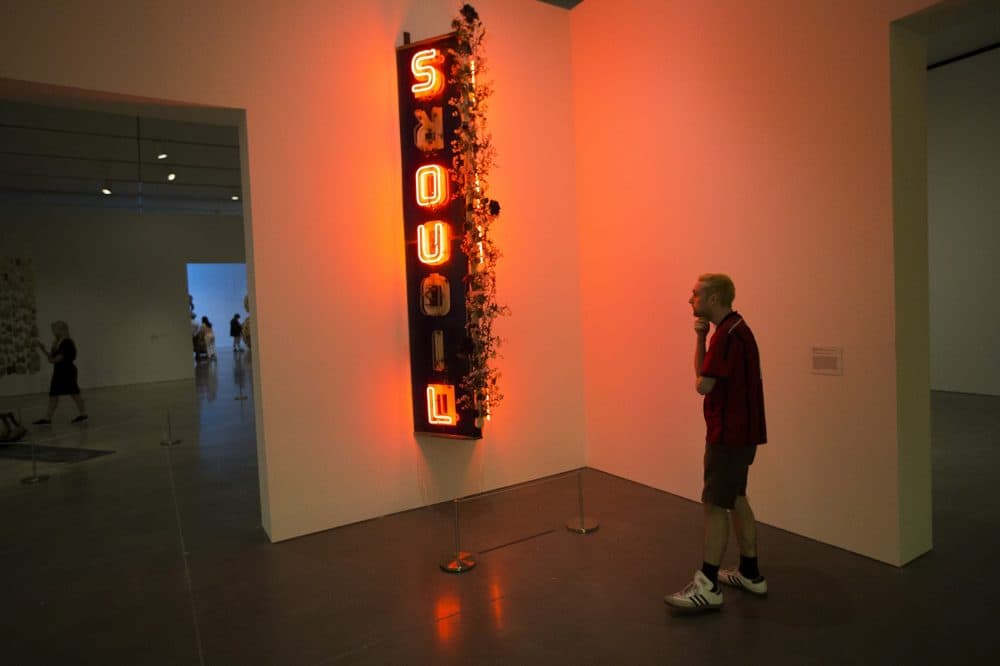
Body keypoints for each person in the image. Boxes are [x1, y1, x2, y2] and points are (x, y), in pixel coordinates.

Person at [665, 274, 767, 612]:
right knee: (736, 497)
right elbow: (705, 376)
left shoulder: (726, 336)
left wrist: (703, 339)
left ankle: (707, 585)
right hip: (743, 435)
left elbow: (702, 386)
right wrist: (700, 338)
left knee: (715, 505)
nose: (690, 299)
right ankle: (750, 573)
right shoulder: (736, 329)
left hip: (728, 436)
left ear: (713, 298)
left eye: (695, 294)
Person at [32, 320, 88, 425]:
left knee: (74, 393)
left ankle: (83, 414)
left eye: (54, 329)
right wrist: (42, 349)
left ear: (61, 330)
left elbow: (54, 360)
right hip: (59, 371)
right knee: (54, 394)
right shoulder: (58, 343)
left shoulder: (67, 343)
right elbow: (51, 360)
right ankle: (47, 418)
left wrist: (45, 351)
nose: (53, 332)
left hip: (67, 371)